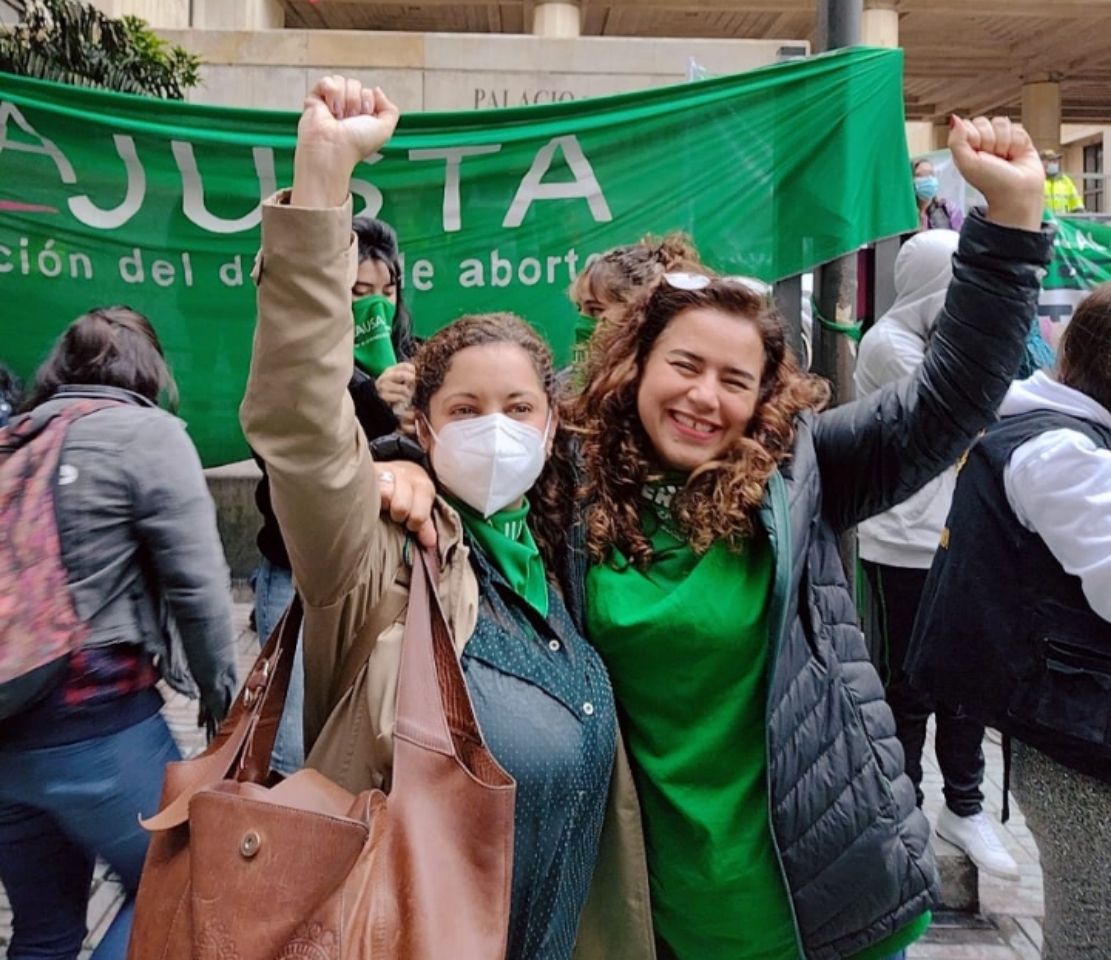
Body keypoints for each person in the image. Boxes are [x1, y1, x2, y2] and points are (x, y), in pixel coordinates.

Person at [569, 115, 1052, 960]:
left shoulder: (800, 474)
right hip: (648, 920)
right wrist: (403, 467)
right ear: (631, 365)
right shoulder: (559, 493)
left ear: (763, 399)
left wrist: (1008, 220)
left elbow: (947, 400)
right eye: (682, 365)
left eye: (734, 380)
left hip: (830, 908)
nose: (702, 398)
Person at [239, 77, 619, 960]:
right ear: (422, 424)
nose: (496, 430)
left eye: (519, 409)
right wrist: (323, 179)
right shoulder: (378, 560)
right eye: (467, 410)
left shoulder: (563, 558)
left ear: (552, 422)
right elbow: (300, 418)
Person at [0, 306, 238, 960]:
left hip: (8, 735)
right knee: (188, 891)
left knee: (43, 933)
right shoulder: (147, 434)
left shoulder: (15, 437)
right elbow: (199, 586)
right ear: (150, 370)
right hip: (101, 729)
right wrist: (228, 705)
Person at [906, 283, 1111, 959]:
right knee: (1092, 933)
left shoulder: (1054, 435)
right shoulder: (1061, 453)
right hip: (1074, 742)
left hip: (1068, 729)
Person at [854, 229, 1019, 881]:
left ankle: (965, 806)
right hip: (898, 546)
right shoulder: (888, 345)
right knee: (907, 689)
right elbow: (969, 416)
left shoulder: (943, 346)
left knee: (965, 686)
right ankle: (906, 808)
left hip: (959, 542)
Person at [249, 212, 419, 775]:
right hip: (294, 571)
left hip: (384, 570)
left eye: (386, 292)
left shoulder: (414, 357)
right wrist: (369, 399)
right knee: (291, 736)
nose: (377, 305)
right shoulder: (300, 365)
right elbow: (290, 454)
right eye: (357, 293)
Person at [912, 157, 964, 232]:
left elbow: (960, 238)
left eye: (932, 174)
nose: (929, 178)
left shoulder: (947, 209)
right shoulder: (904, 216)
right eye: (922, 174)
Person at [1040, 147, 1085, 216]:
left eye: (1056, 161)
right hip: (1043, 224)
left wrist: (1082, 216)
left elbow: (1077, 204)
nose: (1054, 163)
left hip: (1062, 223)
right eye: (1050, 161)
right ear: (1041, 163)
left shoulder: (1065, 180)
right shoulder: (1036, 181)